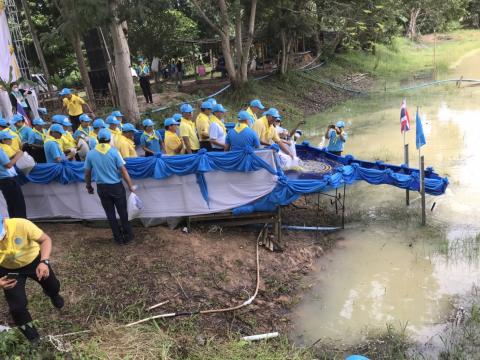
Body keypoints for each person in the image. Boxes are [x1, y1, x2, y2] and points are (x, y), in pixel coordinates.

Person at [0, 217, 64, 342]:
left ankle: (53, 294)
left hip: (33, 262)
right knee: (17, 307)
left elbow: (45, 240)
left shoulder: (21, 225)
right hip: (10, 270)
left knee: (52, 285)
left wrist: (44, 262)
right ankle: (34, 338)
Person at [84, 129, 135, 245]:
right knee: (123, 212)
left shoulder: (91, 153)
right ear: (109, 140)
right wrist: (130, 185)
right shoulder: (114, 152)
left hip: (102, 187)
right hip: (116, 186)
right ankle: (128, 235)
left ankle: (118, 238)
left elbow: (87, 172)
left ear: (98, 139)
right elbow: (123, 170)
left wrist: (88, 186)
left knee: (110, 213)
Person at [0, 132, 26, 218]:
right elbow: (8, 165)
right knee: (17, 203)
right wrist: (19, 155)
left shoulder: (3, 149)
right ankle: (21, 224)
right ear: (3, 140)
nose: (11, 141)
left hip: (5, 179)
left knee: (12, 203)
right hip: (8, 179)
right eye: (9, 139)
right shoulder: (2, 149)